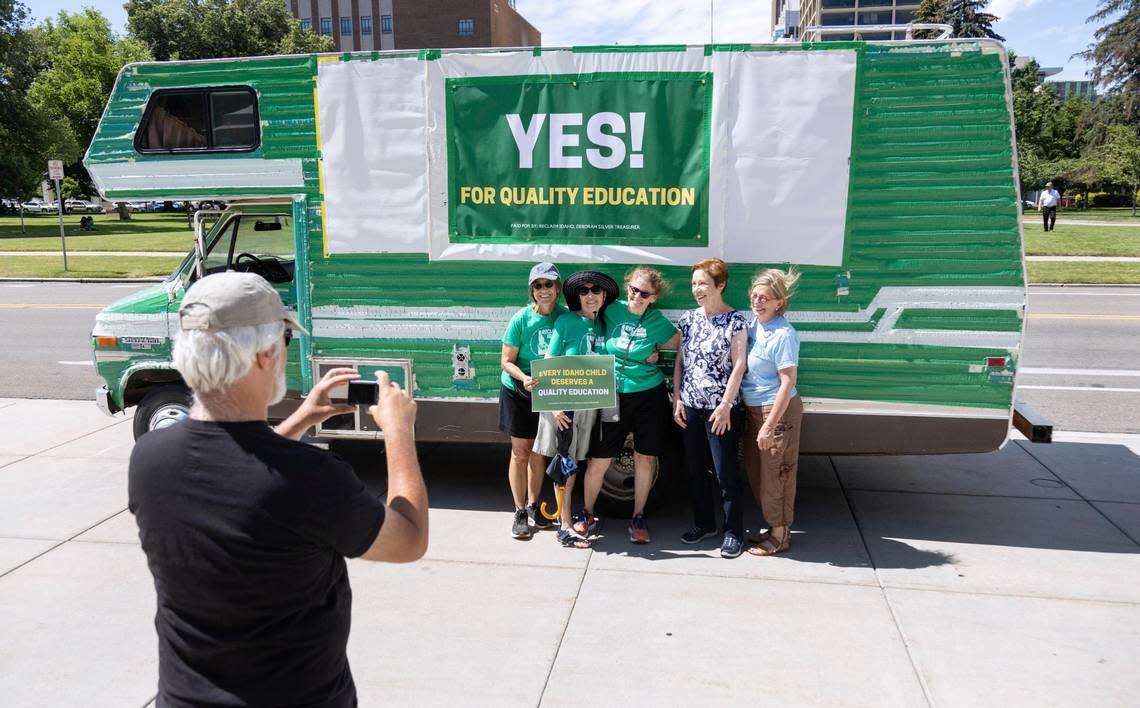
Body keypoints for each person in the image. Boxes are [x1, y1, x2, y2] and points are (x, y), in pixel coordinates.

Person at [129, 271, 429, 707]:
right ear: (264, 356)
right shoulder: (310, 476)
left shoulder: (150, 458)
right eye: (285, 343)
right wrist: (399, 432)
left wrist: (299, 421)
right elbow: (409, 539)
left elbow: (244, 479)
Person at [577, 267, 679, 545]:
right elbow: (583, 313)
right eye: (633, 289)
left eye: (644, 293)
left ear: (653, 297)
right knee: (599, 458)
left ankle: (638, 516)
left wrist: (658, 354)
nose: (636, 295)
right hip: (613, 393)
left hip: (649, 395)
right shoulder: (612, 310)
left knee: (645, 457)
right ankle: (586, 513)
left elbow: (683, 344)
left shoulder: (658, 321)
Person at [533, 269, 619, 548]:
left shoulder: (605, 325)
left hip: (591, 408)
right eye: (584, 291)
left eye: (596, 291)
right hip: (566, 405)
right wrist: (554, 408)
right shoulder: (566, 322)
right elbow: (548, 361)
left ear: (604, 296)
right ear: (577, 296)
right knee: (566, 464)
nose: (590, 295)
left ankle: (569, 518)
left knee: (576, 463)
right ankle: (565, 525)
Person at [673, 258, 749, 558]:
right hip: (691, 407)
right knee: (694, 471)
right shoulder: (688, 319)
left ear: (721, 285)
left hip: (721, 411)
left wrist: (727, 405)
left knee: (725, 472)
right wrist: (677, 398)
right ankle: (704, 524)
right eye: (694, 284)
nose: (697, 290)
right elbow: (681, 362)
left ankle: (733, 533)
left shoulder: (736, 320)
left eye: (703, 283)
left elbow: (739, 364)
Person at [500, 262, 567, 539]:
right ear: (532, 290)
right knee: (520, 452)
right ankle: (518, 512)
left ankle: (533, 506)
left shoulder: (565, 317)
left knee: (540, 452)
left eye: (548, 284)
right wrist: (523, 378)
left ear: (557, 288)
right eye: (538, 286)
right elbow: (506, 361)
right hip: (518, 389)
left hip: (547, 391)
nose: (543, 290)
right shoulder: (521, 319)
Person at [741, 268, 803, 557]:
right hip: (754, 408)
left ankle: (780, 536)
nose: (757, 302)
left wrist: (769, 425)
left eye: (764, 298)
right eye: (754, 295)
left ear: (780, 301)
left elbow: (788, 380)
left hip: (776, 412)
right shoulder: (754, 324)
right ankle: (773, 526)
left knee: (777, 473)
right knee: (757, 472)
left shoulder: (783, 334)